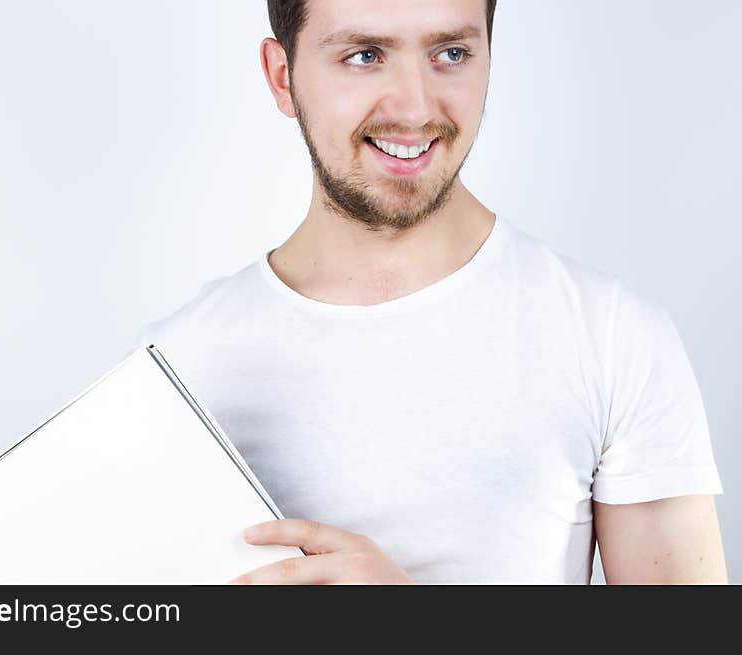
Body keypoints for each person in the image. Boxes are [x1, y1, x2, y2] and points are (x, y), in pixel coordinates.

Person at [134, 0, 727, 584]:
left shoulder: (614, 337)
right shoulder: (177, 364)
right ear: (282, 77)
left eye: (451, 53)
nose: (414, 109)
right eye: (364, 55)